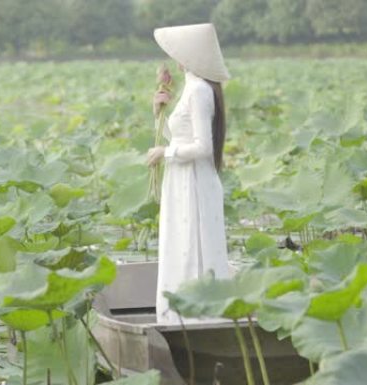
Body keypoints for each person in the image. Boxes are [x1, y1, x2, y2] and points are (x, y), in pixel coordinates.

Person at [146, 23, 231, 324]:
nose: (174, 58)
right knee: (180, 242)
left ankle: (196, 316)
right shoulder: (192, 87)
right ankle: (180, 313)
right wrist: (160, 113)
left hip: (193, 180)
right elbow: (182, 136)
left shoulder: (199, 91)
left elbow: (203, 147)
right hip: (182, 179)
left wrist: (164, 153)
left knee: (191, 244)